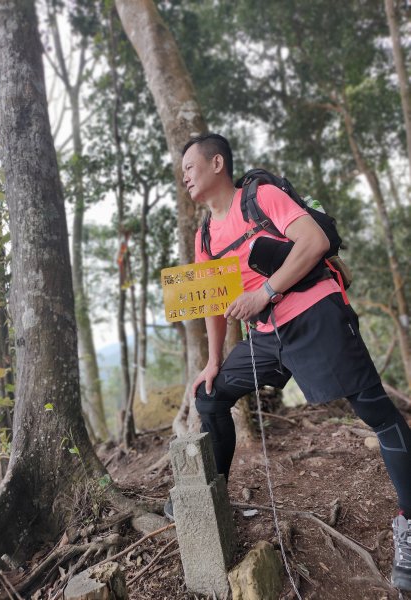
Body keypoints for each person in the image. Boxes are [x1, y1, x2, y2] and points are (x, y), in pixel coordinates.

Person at [166, 132, 411, 591]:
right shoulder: (204, 235)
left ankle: (410, 523)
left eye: (190, 167)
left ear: (217, 163)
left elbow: (314, 241)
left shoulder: (260, 197)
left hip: (313, 312)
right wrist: (212, 361)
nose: (184, 177)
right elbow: (213, 304)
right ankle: (211, 498)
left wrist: (265, 290)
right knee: (210, 397)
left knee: (376, 412)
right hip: (265, 336)